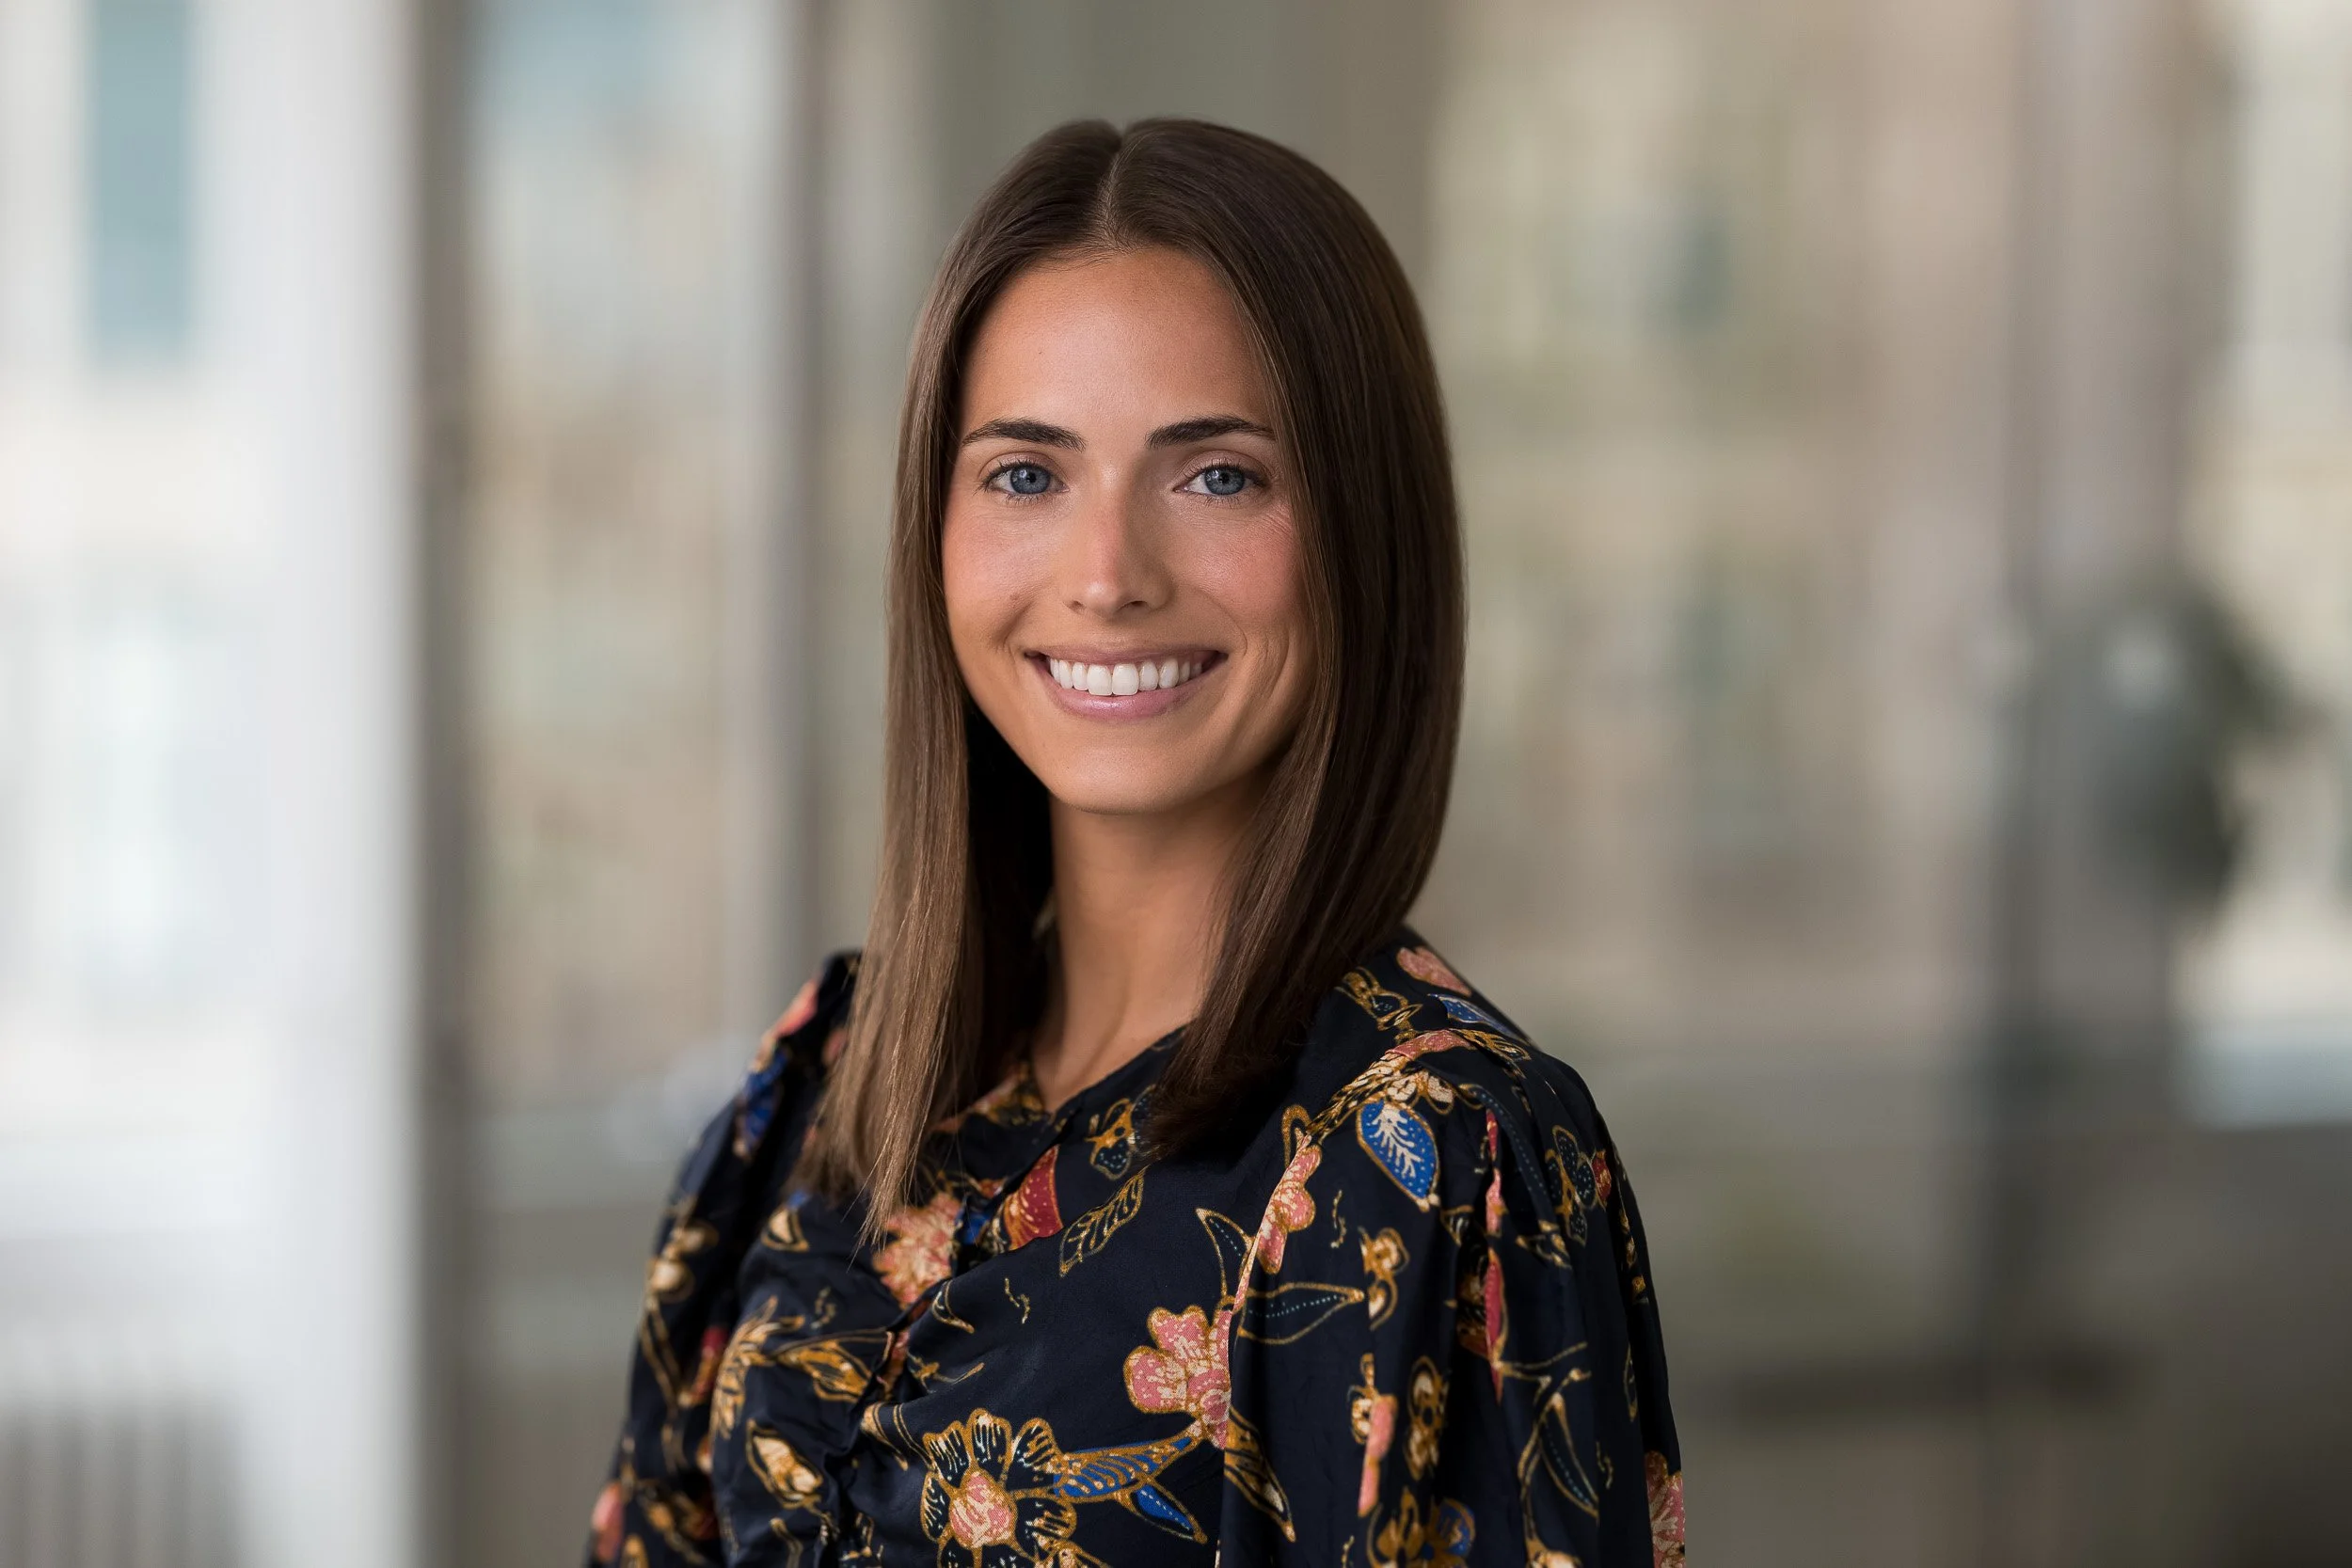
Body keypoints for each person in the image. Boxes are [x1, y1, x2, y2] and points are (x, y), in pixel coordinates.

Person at [587, 117, 1682, 1568]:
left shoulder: (1439, 1162)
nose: (1106, 577)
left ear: (1364, 531)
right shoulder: (827, 1086)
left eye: (1217, 473)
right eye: (1026, 474)